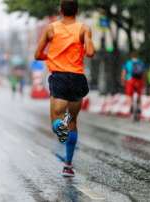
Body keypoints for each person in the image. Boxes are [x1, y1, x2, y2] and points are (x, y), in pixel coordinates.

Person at [35, 0, 95, 177]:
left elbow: (37, 54)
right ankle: (68, 164)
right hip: (77, 78)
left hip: (60, 77)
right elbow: (90, 52)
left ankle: (64, 138)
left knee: (56, 121)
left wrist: (52, 56)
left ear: (60, 10)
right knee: (72, 122)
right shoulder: (84, 28)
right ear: (77, 11)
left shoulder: (51, 28)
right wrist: (86, 42)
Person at [121, 52, 146, 120]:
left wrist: (123, 80)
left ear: (131, 56)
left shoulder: (128, 63)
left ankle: (131, 105)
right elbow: (144, 73)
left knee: (129, 95)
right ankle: (138, 106)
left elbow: (124, 72)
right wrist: (144, 82)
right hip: (139, 80)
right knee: (139, 94)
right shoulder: (141, 63)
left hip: (130, 80)